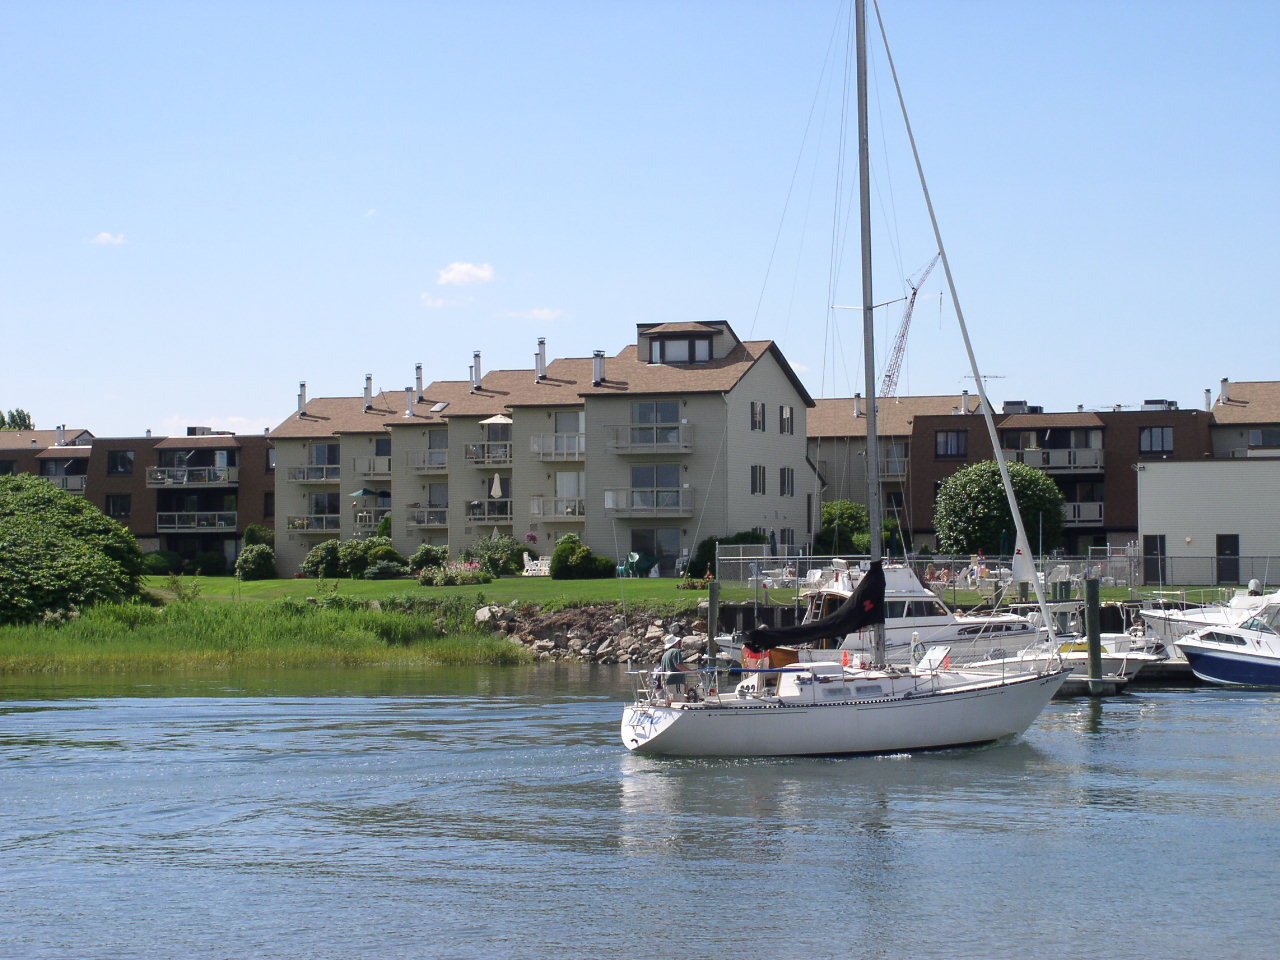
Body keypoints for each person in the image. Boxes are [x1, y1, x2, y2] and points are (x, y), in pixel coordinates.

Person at [658, 634, 692, 703]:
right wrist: (691, 671)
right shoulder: (676, 652)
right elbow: (678, 665)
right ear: (676, 643)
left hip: (667, 682)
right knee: (678, 702)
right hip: (676, 682)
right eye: (679, 642)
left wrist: (662, 681)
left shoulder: (665, 655)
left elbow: (662, 670)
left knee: (670, 701)